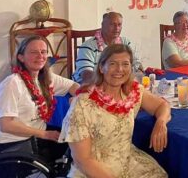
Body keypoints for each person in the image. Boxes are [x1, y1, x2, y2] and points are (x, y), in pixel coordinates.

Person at [60, 44, 169, 177]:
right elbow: (82, 160)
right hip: (93, 170)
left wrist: (161, 122)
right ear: (101, 67)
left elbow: (161, 106)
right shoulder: (83, 103)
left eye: (125, 64)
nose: (119, 69)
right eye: (112, 64)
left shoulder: (133, 92)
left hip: (128, 163)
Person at [0, 36, 79, 163]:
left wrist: (78, 98)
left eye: (43, 52)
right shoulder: (12, 83)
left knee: (79, 140)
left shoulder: (46, 78)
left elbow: (74, 86)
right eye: (33, 52)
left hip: (38, 138)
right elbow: (6, 125)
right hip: (13, 145)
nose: (40, 56)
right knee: (75, 149)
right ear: (21, 57)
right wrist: (45, 135)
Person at [72, 12, 135, 83]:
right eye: (112, 24)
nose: (116, 28)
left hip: (118, 83)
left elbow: (135, 64)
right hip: (89, 85)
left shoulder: (125, 43)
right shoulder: (88, 46)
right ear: (102, 25)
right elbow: (86, 75)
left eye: (119, 25)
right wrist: (109, 83)